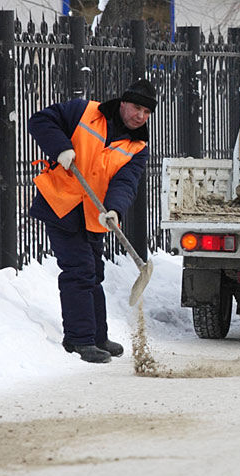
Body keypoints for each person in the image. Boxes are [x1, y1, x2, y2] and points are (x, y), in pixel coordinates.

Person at [27, 80, 156, 364]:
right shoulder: (84, 111)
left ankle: (98, 337)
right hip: (62, 202)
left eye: (147, 112)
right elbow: (40, 120)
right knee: (79, 269)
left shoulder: (137, 146)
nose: (140, 116)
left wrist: (115, 210)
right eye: (137, 108)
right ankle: (79, 339)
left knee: (94, 272)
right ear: (123, 102)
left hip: (95, 213)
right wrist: (61, 147)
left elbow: (126, 182)